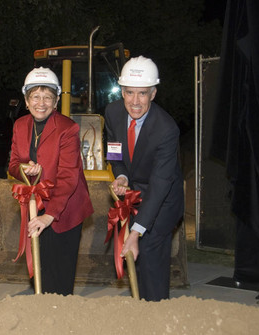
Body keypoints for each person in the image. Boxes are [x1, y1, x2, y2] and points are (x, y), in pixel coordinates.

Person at [8, 67, 94, 295]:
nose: (41, 103)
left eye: (48, 97)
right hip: (37, 204)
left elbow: (68, 176)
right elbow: (13, 164)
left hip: (65, 208)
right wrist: (24, 170)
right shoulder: (20, 126)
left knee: (60, 271)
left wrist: (49, 215)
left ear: (56, 101)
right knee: (41, 266)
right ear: (26, 101)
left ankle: (60, 312)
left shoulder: (68, 128)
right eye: (35, 96)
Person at [104, 56, 184, 301]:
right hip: (134, 195)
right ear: (122, 91)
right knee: (133, 255)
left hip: (163, 201)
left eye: (142, 94)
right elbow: (114, 153)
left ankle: (155, 310)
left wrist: (136, 232)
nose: (135, 102)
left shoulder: (166, 130)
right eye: (129, 93)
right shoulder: (113, 112)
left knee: (149, 251)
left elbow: (160, 185)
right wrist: (121, 176)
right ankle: (140, 308)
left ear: (153, 93)